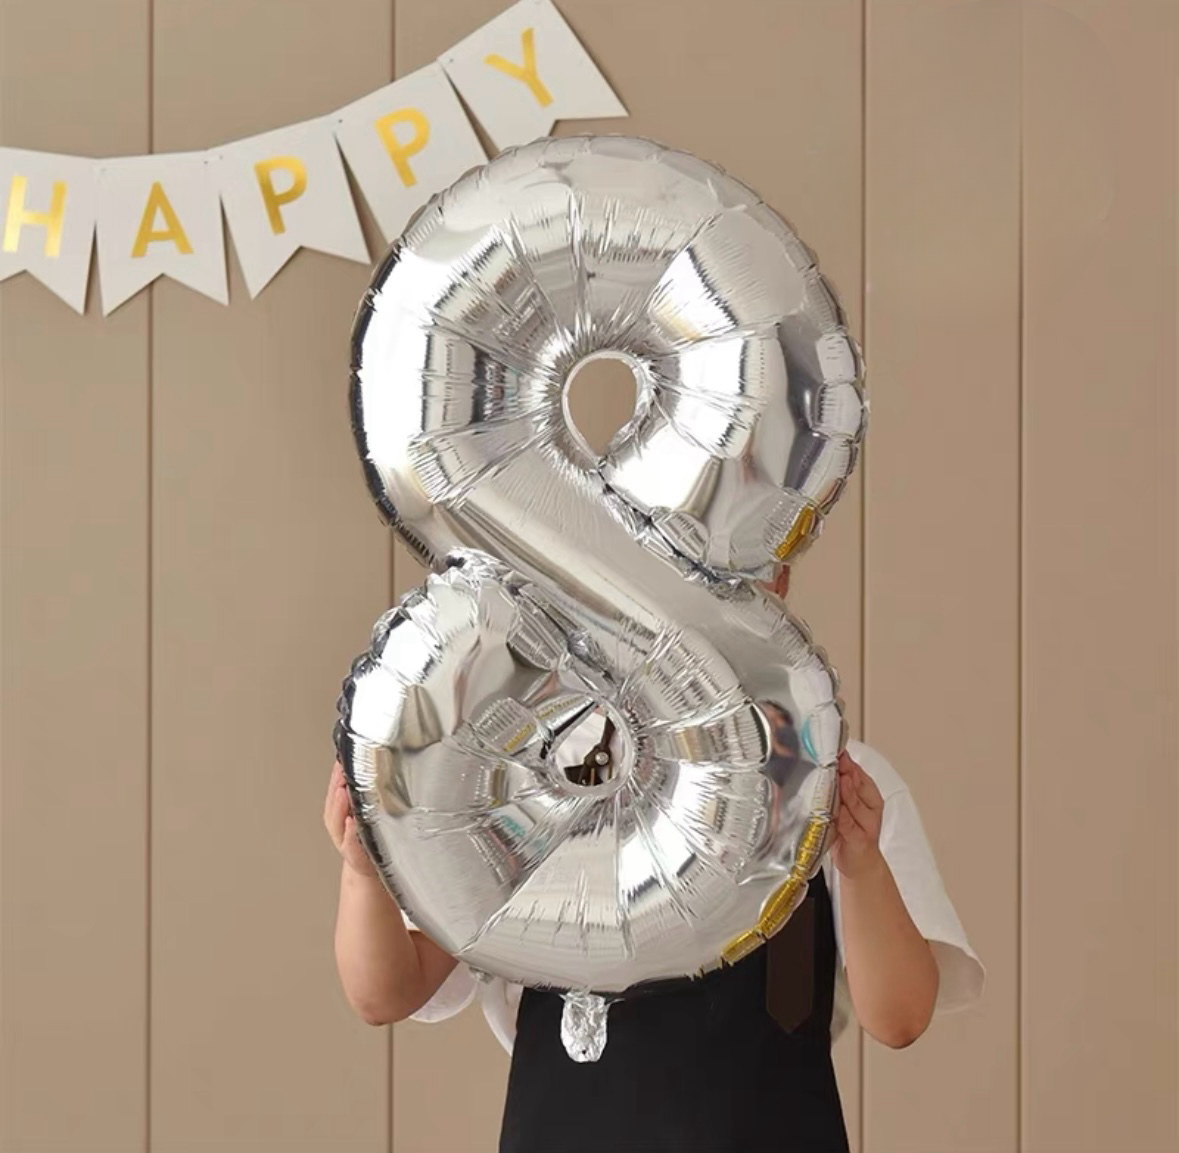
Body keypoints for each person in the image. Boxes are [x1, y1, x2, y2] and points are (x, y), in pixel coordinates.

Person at [325, 565, 983, 1152]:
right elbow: (387, 991)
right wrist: (365, 872)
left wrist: (860, 862)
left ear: (772, 588)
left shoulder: (830, 779)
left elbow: (897, 1015)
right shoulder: (536, 784)